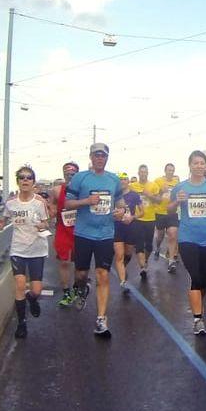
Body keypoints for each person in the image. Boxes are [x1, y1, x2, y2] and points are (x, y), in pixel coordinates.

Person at [63, 143, 122, 338]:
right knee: (80, 274)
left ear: (107, 158)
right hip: (83, 234)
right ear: (91, 157)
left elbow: (120, 204)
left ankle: (101, 318)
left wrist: (121, 211)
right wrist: (86, 202)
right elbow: (67, 203)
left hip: (105, 234)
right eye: (96, 155)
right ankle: (81, 287)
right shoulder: (81, 178)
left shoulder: (113, 180)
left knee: (102, 275)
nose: (99, 159)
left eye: (103, 156)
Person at [169, 151, 206, 336]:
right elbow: (168, 209)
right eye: (196, 163)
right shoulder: (180, 187)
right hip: (187, 238)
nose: (199, 166)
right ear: (190, 165)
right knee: (195, 277)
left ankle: (197, 305)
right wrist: (176, 201)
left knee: (204, 281)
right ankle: (198, 319)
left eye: (202, 163)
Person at [0, 166, 51, 339]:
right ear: (18, 182)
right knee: (19, 285)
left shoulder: (39, 202)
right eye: (22, 177)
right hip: (18, 249)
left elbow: (46, 222)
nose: (25, 180)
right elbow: (3, 219)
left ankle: (32, 298)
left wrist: (42, 225)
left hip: (37, 249)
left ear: (33, 182)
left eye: (29, 178)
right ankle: (21, 323)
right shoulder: (11, 203)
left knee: (36, 289)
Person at [53, 163, 81, 307]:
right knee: (64, 261)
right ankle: (66, 292)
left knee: (79, 264)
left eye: (73, 173)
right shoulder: (58, 190)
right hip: (63, 230)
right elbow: (51, 208)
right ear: (63, 174)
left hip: (80, 229)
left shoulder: (82, 189)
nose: (70, 175)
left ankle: (76, 289)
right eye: (67, 173)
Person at [112, 173, 141, 294]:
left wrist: (132, 217)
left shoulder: (134, 195)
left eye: (125, 179)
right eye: (120, 179)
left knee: (128, 254)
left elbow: (142, 212)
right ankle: (123, 281)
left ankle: (123, 267)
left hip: (131, 227)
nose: (123, 181)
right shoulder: (113, 195)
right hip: (117, 227)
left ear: (128, 181)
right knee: (119, 255)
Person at [130, 164, 160, 280]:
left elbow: (159, 200)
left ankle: (145, 260)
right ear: (138, 173)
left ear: (147, 173)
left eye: (145, 172)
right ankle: (142, 267)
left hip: (150, 218)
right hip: (137, 218)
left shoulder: (153, 185)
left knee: (148, 245)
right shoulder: (132, 186)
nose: (143, 174)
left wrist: (150, 195)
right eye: (141, 172)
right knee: (139, 244)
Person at [158, 163, 182, 271]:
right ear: (165, 170)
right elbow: (154, 198)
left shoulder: (177, 183)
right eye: (169, 170)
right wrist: (160, 191)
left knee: (173, 234)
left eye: (172, 170)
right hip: (160, 212)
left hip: (172, 212)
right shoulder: (158, 181)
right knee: (160, 236)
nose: (171, 172)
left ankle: (171, 260)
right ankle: (158, 247)